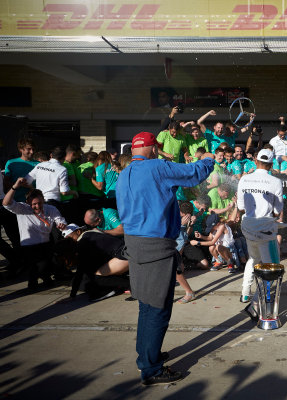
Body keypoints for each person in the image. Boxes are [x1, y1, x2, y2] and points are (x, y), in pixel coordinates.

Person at [116, 131, 214, 386]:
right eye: (156, 148)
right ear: (150, 149)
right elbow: (194, 174)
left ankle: (147, 356)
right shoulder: (156, 167)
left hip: (134, 243)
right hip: (155, 245)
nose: (159, 151)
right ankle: (151, 368)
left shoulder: (124, 172)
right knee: (158, 308)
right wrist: (209, 159)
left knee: (146, 304)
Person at [236, 149, 283, 320]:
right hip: (264, 229)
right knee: (272, 269)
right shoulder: (275, 181)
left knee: (253, 259)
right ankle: (255, 305)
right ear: (271, 164)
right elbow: (278, 211)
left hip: (248, 227)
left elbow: (241, 207)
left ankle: (245, 293)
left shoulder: (244, 178)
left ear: (256, 161)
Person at [3, 181, 67, 291]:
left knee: (46, 264)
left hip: (45, 243)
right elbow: (6, 203)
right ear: (28, 202)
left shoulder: (50, 209)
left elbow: (59, 218)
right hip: (29, 246)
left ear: (43, 200)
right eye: (34, 204)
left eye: (40, 203)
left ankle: (44, 278)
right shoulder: (22, 209)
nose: (37, 206)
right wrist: (15, 186)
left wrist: (61, 224)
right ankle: (34, 283)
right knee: (36, 267)